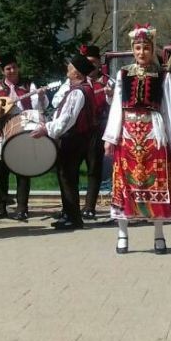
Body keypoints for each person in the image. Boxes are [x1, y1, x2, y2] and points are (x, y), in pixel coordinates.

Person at [103, 24, 171, 254]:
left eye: (146, 48)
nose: (142, 52)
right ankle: (122, 234)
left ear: (152, 50)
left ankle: (159, 234)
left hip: (152, 133)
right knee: (124, 185)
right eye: (138, 48)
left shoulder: (162, 76)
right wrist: (110, 137)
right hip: (128, 135)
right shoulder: (123, 74)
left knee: (156, 184)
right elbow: (117, 107)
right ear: (133, 49)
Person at [0, 53, 48, 221]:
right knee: (1, 171)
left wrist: (41, 96)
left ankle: (22, 209)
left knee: (23, 171)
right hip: (2, 132)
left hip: (23, 131)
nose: (12, 71)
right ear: (2, 71)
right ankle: (0, 208)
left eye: (14, 67)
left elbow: (39, 108)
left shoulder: (29, 85)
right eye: (8, 68)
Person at [32, 53, 97, 230]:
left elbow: (67, 119)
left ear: (77, 72)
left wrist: (47, 129)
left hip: (73, 139)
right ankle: (68, 214)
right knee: (67, 176)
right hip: (78, 138)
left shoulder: (78, 92)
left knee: (67, 177)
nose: (67, 68)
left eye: (71, 66)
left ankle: (73, 218)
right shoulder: (83, 88)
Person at [52, 44, 113, 220]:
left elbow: (115, 105)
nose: (90, 65)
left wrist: (110, 95)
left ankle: (88, 207)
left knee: (94, 168)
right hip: (77, 130)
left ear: (99, 62)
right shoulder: (73, 85)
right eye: (87, 62)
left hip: (97, 129)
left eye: (93, 62)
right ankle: (70, 209)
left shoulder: (108, 81)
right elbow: (57, 102)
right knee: (69, 171)